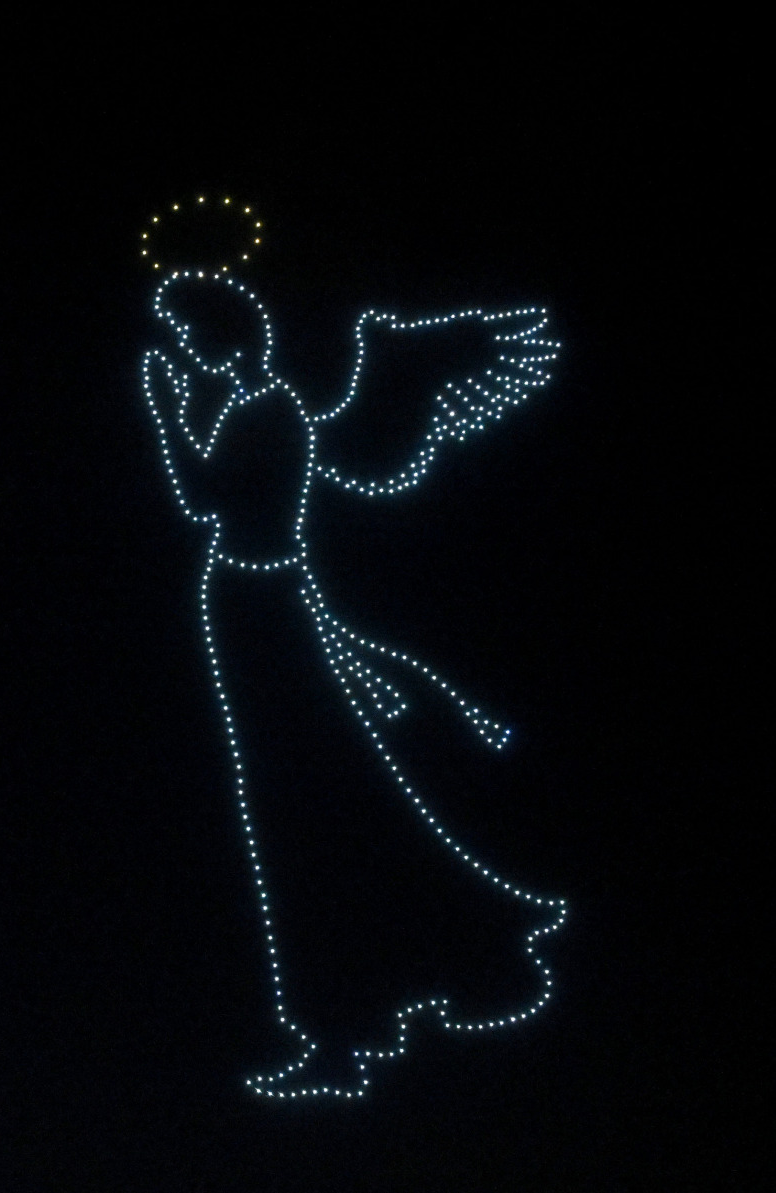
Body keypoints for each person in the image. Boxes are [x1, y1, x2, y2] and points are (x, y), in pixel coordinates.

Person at [138, 267, 566, 1097]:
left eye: (191, 334)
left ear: (223, 334)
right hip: (255, 608)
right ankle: (353, 1008)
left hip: (262, 609)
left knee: (301, 805)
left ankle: (342, 1024)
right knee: (306, 797)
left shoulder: (271, 411)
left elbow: (208, 499)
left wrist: (165, 409)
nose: (183, 348)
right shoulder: (255, 406)